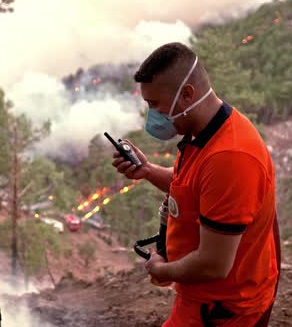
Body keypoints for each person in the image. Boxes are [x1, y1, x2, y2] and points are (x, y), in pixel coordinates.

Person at [112, 42, 281, 327]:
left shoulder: (231, 158)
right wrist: (148, 171)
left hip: (222, 310)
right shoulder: (202, 132)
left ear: (187, 94)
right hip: (201, 297)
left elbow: (213, 264)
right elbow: (190, 187)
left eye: (155, 105)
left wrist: (163, 270)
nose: (152, 115)